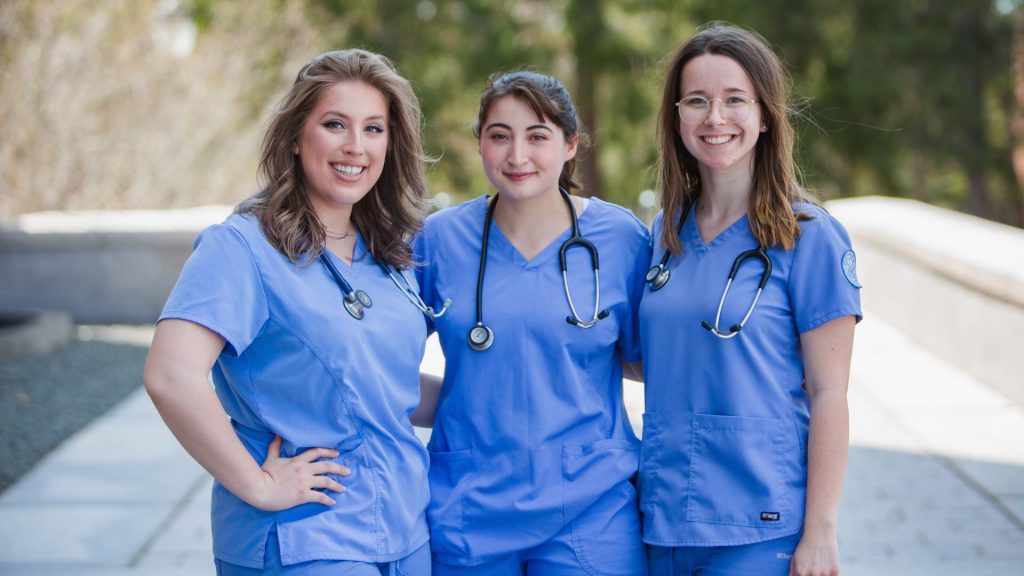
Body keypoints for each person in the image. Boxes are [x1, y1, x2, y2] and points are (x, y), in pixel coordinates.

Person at [143, 49, 435, 575]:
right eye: (334, 124)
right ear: (297, 138)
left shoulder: (388, 252)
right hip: (301, 537)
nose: (355, 146)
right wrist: (258, 484)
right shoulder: (242, 248)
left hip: (404, 534)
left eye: (374, 129)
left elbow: (368, 382)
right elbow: (171, 374)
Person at [638, 23, 862, 576]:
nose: (715, 118)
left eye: (735, 100)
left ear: (765, 116)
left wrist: (821, 530)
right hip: (663, 518)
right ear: (676, 117)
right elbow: (650, 356)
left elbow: (830, 392)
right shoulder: (665, 233)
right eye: (697, 101)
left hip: (761, 524)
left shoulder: (809, 236)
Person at [412, 71, 651, 575]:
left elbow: (647, 361)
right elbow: (375, 358)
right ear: (480, 144)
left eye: (537, 136)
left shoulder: (619, 239)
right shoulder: (439, 241)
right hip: (467, 509)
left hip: (591, 510)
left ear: (570, 145)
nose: (517, 156)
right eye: (500, 136)